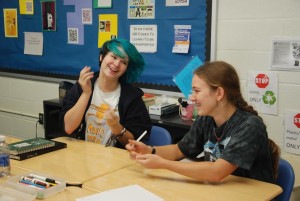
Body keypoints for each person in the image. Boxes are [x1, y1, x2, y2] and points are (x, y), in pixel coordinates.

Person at [126, 61, 280, 183]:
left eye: (197, 91)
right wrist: (149, 150)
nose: (191, 97)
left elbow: (216, 172)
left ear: (219, 93)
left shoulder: (250, 126)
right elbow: (179, 150)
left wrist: (162, 164)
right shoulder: (206, 118)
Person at [59, 38, 152, 149]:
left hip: (114, 161)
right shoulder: (83, 85)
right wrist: (86, 94)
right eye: (114, 57)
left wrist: (116, 127)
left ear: (126, 69)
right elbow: (68, 128)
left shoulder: (132, 97)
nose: (117, 64)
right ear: (102, 57)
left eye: (124, 62)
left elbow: (136, 143)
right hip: (82, 155)